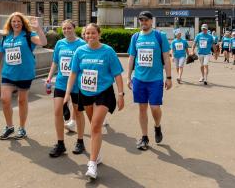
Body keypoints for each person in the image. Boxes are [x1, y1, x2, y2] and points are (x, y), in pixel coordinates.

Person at [64, 23, 125, 180]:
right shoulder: (80, 51)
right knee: (93, 127)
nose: (90, 36)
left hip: (104, 92)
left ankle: (92, 164)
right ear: (84, 36)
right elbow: (73, 73)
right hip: (85, 93)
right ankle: (97, 154)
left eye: (93, 33)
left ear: (99, 34)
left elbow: (117, 74)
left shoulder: (108, 51)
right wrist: (67, 93)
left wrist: (120, 94)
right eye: (87, 34)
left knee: (96, 125)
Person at [0, 12, 47, 140]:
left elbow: (43, 42)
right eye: (14, 21)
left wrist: (38, 28)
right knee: (4, 99)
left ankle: (22, 128)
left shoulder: (28, 35)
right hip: (8, 73)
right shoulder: (6, 37)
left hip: (24, 73)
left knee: (22, 101)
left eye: (19, 21)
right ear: (10, 23)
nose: (16, 23)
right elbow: (0, 54)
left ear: (23, 23)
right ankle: (9, 126)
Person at [127, 11, 172, 151]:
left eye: (146, 20)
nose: (143, 23)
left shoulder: (160, 36)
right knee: (141, 108)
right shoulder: (135, 37)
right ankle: (144, 137)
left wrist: (169, 77)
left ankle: (157, 126)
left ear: (151, 21)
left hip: (156, 79)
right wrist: (128, 77)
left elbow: (166, 58)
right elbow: (131, 58)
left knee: (154, 108)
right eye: (141, 20)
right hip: (139, 79)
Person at [46, 20, 86, 157]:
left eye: (69, 28)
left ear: (74, 29)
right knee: (57, 111)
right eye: (64, 29)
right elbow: (55, 62)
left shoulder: (81, 45)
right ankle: (60, 144)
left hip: (77, 84)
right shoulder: (60, 44)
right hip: (61, 82)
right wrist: (49, 77)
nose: (67, 31)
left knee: (78, 112)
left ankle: (80, 141)